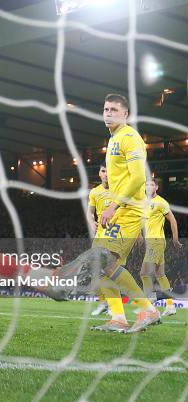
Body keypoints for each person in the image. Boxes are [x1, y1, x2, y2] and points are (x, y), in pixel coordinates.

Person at [87, 93, 159, 332]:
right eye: (106, 109)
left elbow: (139, 177)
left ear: (125, 114)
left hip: (128, 210)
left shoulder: (130, 137)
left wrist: (112, 205)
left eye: (114, 110)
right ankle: (118, 318)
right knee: (99, 263)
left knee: (106, 262)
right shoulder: (115, 138)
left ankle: (147, 309)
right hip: (118, 211)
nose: (108, 113)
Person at [140, 178, 182, 316]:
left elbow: (173, 220)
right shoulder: (143, 202)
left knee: (144, 273)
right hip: (151, 241)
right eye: (147, 184)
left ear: (156, 187)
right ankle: (170, 307)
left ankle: (149, 303)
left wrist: (175, 238)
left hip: (156, 241)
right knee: (160, 275)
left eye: (152, 184)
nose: (149, 186)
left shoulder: (161, 202)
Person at [86, 165, 112, 316]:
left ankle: (115, 307)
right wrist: (91, 222)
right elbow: (90, 212)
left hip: (116, 235)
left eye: (109, 170)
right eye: (103, 171)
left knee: (111, 271)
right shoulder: (95, 192)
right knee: (92, 269)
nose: (106, 174)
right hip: (100, 236)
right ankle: (103, 302)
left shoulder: (120, 190)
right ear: (99, 173)